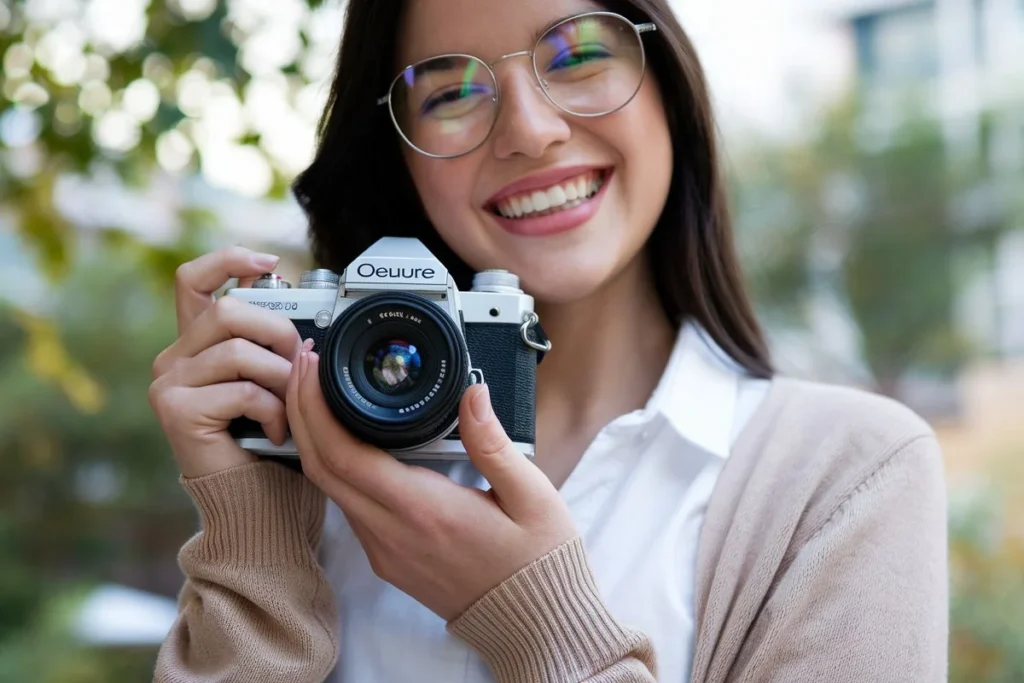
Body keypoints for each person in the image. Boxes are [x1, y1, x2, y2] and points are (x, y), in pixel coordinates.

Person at [147, 0, 950, 680]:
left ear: (668, 88)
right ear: (401, 158)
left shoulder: (847, 476)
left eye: (577, 54)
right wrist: (254, 534)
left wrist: (537, 621)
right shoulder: (309, 462)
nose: (529, 131)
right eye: (452, 93)